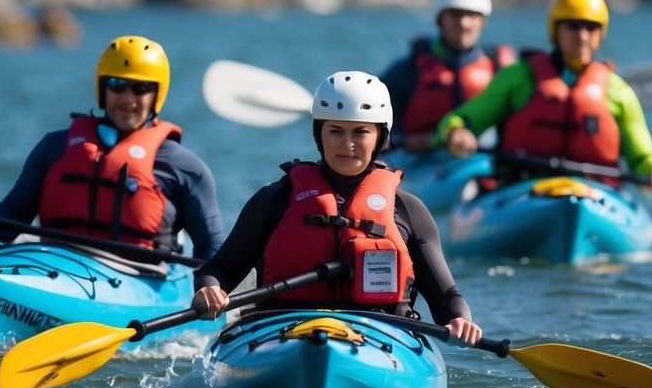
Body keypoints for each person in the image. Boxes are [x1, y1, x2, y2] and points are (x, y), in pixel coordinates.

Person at [191, 70, 483, 346]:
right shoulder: (274, 200)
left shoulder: (407, 210)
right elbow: (220, 268)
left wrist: (460, 320)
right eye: (336, 131)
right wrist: (209, 288)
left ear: (380, 136)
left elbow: (446, 297)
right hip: (283, 334)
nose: (347, 144)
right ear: (319, 134)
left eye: (360, 132)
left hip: (380, 337)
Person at [0, 35, 226, 261]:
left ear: (157, 94)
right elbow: (7, 221)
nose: (128, 98)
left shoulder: (185, 167)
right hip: (57, 267)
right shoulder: (53, 148)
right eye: (117, 85)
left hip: (141, 279)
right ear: (102, 88)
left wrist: (208, 288)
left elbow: (213, 250)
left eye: (141, 88)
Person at [436, 0, 652, 190]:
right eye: (573, 26)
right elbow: (460, 119)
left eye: (590, 27)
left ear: (601, 33)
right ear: (556, 30)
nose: (582, 36)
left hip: (594, 193)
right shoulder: (519, 76)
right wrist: (456, 133)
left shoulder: (617, 90)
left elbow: (641, 156)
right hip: (524, 186)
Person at [380, 0, 515, 153]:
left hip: (478, 163)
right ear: (440, 18)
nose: (464, 23)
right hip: (414, 162)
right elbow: (375, 127)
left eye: (472, 15)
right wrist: (405, 140)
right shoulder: (408, 70)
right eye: (455, 14)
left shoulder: (500, 69)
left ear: (483, 21)